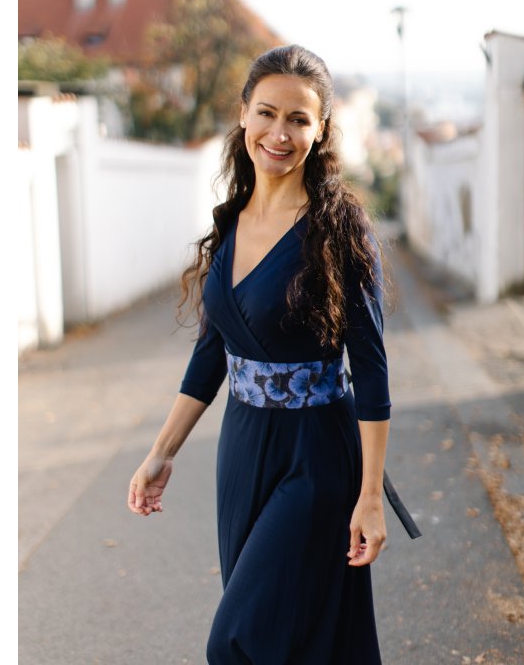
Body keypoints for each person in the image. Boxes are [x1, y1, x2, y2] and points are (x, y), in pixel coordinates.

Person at [128, 44, 391, 664]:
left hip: (315, 454)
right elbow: (211, 354)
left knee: (238, 640)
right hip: (242, 448)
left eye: (299, 119)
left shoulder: (339, 229)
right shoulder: (233, 220)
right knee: (285, 641)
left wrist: (370, 495)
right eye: (267, 113)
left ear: (321, 129)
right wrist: (161, 453)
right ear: (243, 113)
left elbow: (371, 369)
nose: (279, 133)